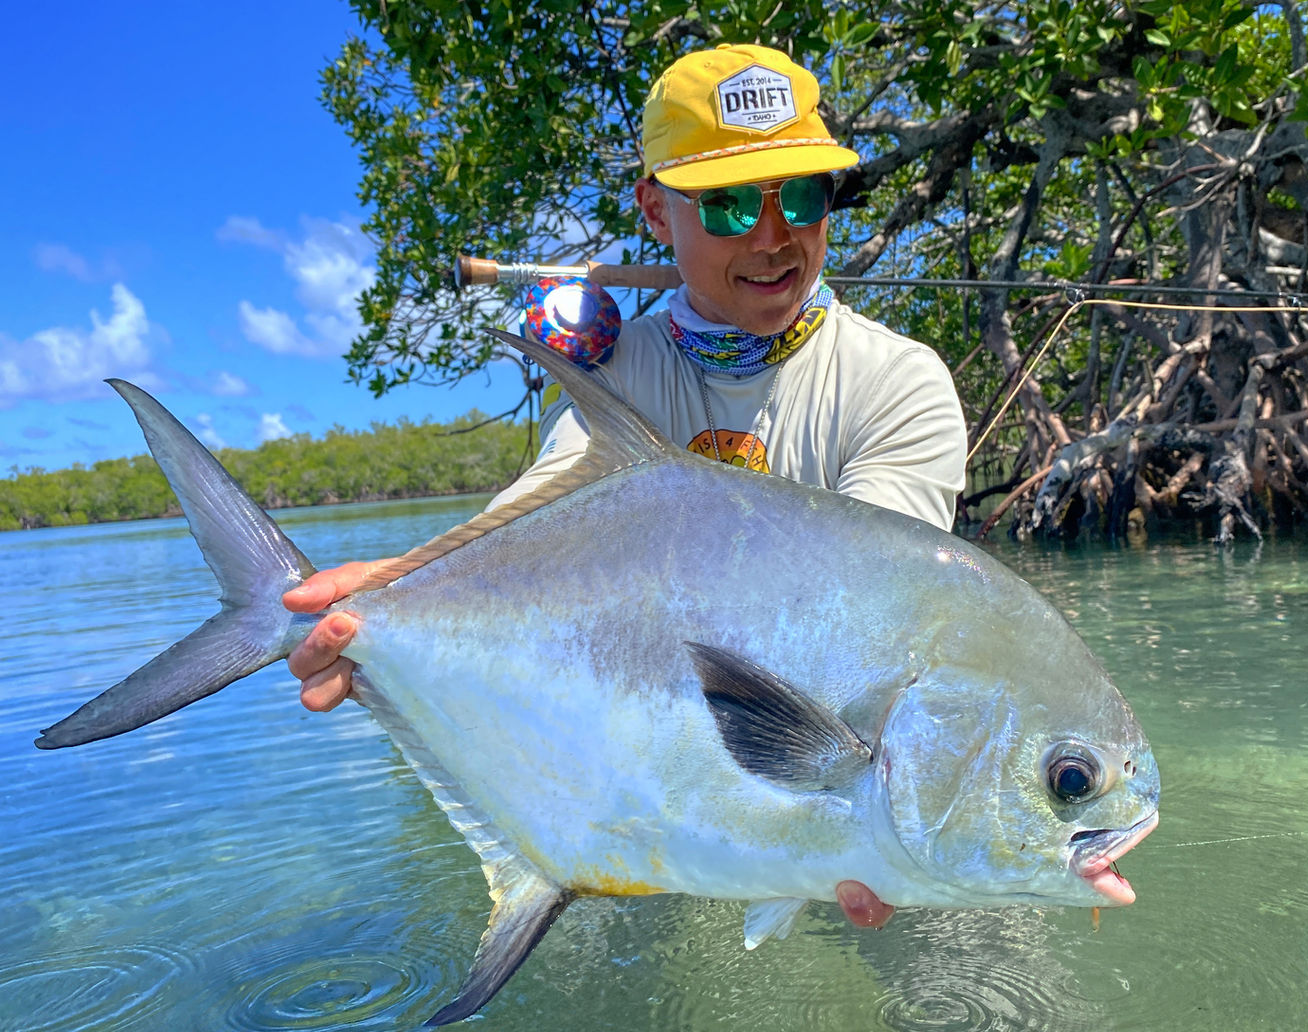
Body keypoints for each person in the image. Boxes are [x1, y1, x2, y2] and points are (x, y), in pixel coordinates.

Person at [285, 44, 966, 932]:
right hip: (664, 776)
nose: (772, 238)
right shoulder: (619, 376)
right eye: (725, 204)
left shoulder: (899, 384)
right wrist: (393, 595)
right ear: (655, 209)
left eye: (802, 195)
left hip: (827, 781)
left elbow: (877, 620)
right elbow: (538, 515)